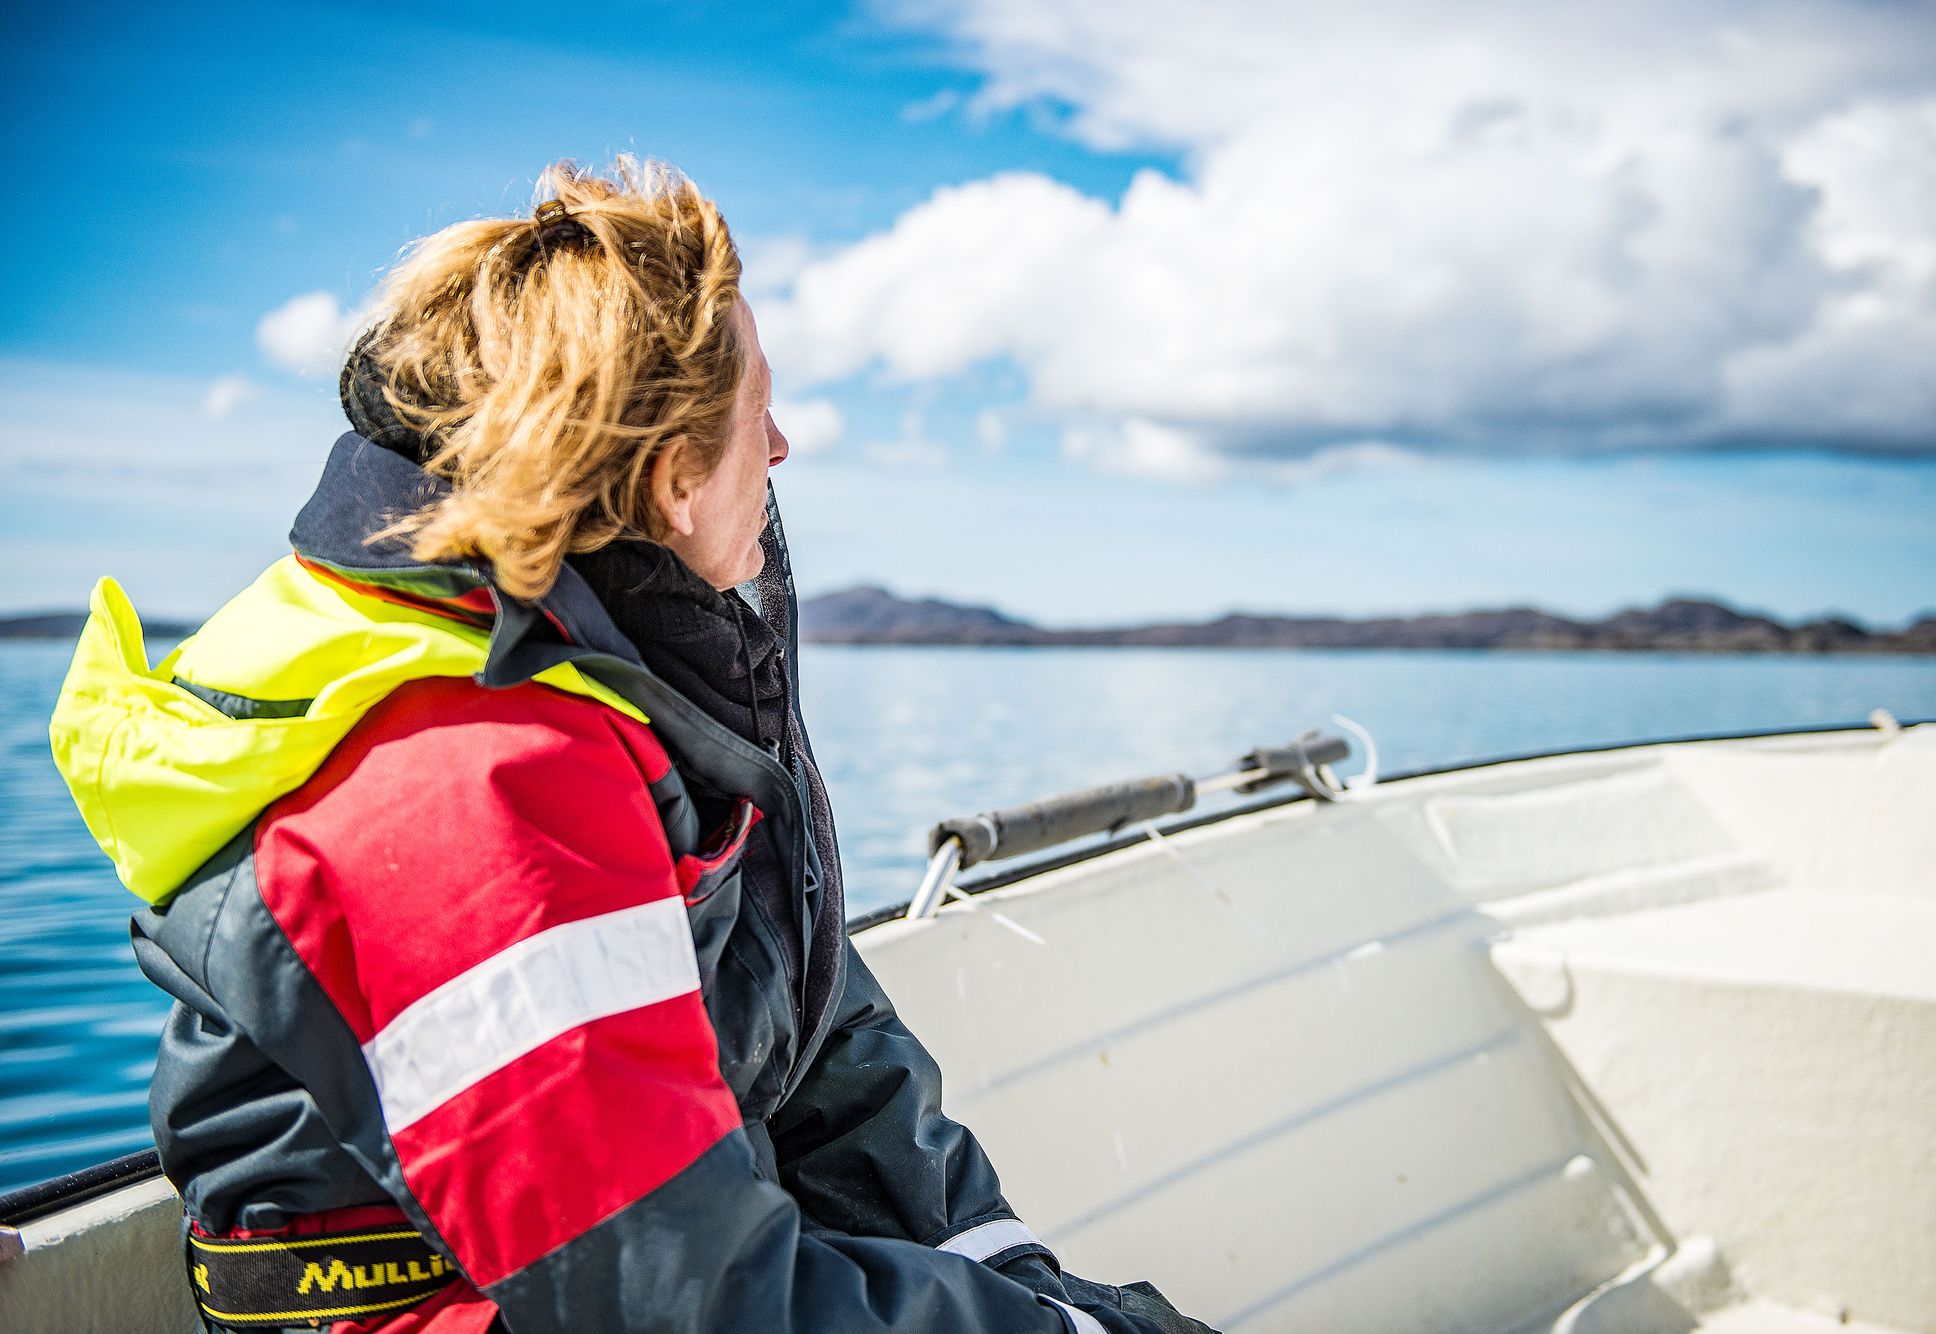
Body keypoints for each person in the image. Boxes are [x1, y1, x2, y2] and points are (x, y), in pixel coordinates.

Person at [50, 159, 1215, 1334]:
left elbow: (816, 1034)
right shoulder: (466, 785)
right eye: (757, 405)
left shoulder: (613, 690)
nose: (783, 445)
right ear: (668, 480)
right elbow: (677, 1304)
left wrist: (1037, 1291)